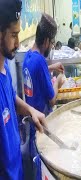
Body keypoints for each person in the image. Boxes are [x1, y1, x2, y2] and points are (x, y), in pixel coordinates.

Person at [0, 1, 46, 179]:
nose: (18, 43)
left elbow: (11, 98)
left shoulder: (4, 68)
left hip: (17, 170)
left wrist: (31, 110)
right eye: (13, 35)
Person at [22, 13, 65, 180]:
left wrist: (51, 67)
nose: (51, 47)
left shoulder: (28, 56)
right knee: (46, 167)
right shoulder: (40, 61)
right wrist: (59, 82)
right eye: (52, 43)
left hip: (32, 127)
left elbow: (36, 72)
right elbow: (52, 98)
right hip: (44, 127)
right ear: (47, 41)